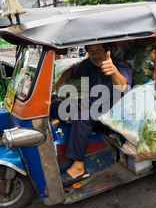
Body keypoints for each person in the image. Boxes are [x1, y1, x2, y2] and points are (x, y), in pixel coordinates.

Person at [51, 43, 132, 185]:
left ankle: (78, 168)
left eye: (99, 50)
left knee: (82, 117)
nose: (95, 54)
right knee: (54, 107)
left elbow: (123, 85)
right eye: (91, 51)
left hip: (111, 113)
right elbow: (71, 70)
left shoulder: (120, 65)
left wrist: (113, 72)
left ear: (108, 50)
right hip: (92, 104)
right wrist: (56, 83)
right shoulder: (90, 64)